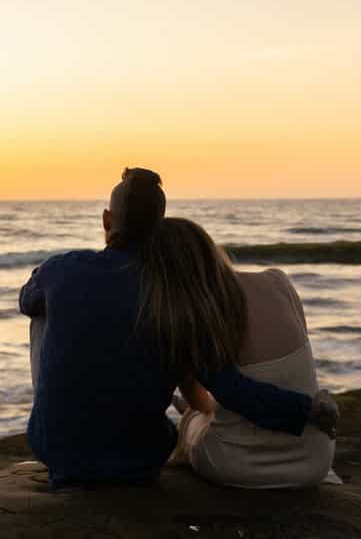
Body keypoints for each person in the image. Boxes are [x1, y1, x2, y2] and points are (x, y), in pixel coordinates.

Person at [20, 168, 336, 488]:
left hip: (57, 453)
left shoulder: (61, 268)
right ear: (160, 227)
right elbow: (233, 390)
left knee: (42, 312)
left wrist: (54, 282)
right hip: (138, 462)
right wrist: (307, 410)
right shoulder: (173, 296)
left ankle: (63, 427)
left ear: (106, 220)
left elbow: (25, 300)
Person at [151, 217, 337, 488]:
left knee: (193, 422)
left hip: (239, 465)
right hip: (315, 462)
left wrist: (307, 410)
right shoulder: (278, 281)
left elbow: (233, 393)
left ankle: (189, 416)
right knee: (216, 405)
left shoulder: (194, 318)